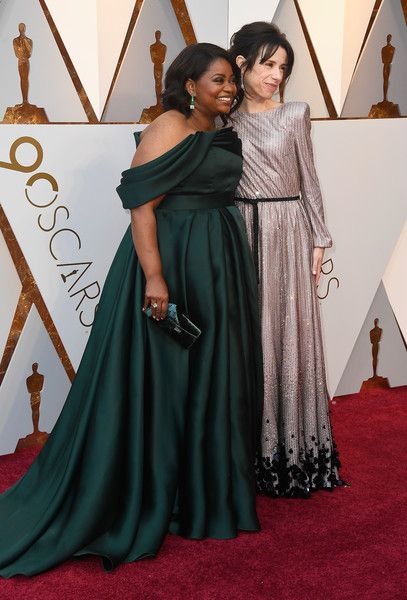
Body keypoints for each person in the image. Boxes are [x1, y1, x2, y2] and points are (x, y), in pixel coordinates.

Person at [0, 43, 263, 577]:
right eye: (218, 80)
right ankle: (148, 493)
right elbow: (142, 206)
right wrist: (156, 278)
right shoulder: (169, 125)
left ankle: (203, 497)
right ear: (189, 85)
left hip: (219, 265)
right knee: (163, 383)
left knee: (215, 379)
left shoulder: (221, 129)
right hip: (171, 265)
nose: (230, 87)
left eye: (233, 79)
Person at [228, 22, 343, 497]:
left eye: (283, 67)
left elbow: (308, 178)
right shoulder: (222, 120)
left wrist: (319, 237)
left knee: (287, 335)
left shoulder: (296, 113)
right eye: (268, 64)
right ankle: (243, 456)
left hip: (287, 231)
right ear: (242, 63)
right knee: (245, 339)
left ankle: (291, 456)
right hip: (237, 232)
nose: (277, 75)